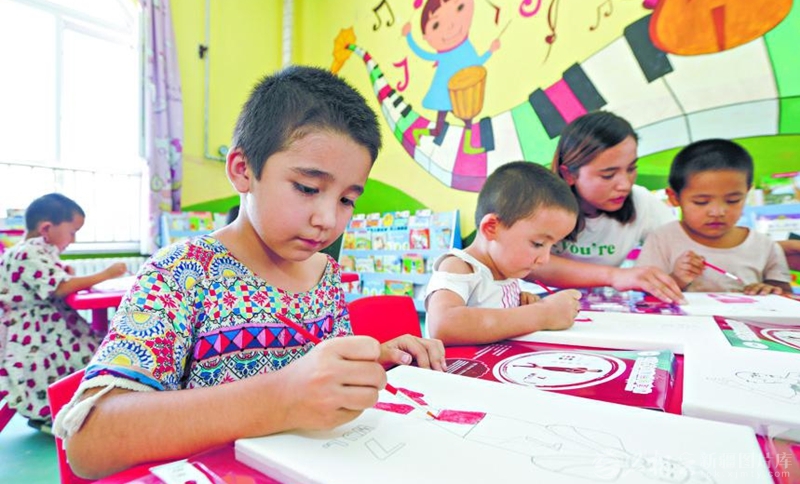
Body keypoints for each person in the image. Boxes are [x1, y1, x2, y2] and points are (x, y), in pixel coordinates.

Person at [54, 66, 446, 479]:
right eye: (307, 188)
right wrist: (282, 398)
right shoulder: (183, 272)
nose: (328, 219)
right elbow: (89, 441)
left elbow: (315, 372)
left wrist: (375, 357)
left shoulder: (326, 273)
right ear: (243, 170)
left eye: (347, 200)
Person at [524, 111, 685, 304]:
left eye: (631, 169)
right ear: (569, 174)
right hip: (534, 304)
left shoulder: (641, 202)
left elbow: (680, 243)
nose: (625, 184)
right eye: (608, 175)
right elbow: (528, 262)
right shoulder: (538, 203)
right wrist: (614, 276)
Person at [0, 193, 126, 432]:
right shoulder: (29, 251)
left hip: (42, 328)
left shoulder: (32, 251)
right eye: (72, 232)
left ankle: (69, 410)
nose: (73, 240)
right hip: (37, 336)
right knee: (89, 357)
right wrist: (106, 274)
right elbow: (59, 287)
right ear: (46, 228)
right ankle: (67, 414)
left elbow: (51, 280)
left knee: (93, 350)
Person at [425, 162, 583, 345]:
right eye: (538, 243)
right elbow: (443, 325)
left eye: (552, 246)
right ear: (491, 228)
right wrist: (542, 313)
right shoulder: (459, 267)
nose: (545, 259)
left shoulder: (506, 271)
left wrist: (521, 303)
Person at [636, 139, 792, 294]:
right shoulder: (662, 240)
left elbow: (784, 295)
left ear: (747, 192)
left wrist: (770, 291)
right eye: (701, 202)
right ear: (674, 197)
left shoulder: (765, 246)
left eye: (733, 200)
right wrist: (677, 279)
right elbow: (645, 294)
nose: (717, 212)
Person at [402, 0, 499, 145]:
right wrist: (409, 37)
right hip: (444, 94)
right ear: (426, 37)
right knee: (440, 128)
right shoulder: (444, 54)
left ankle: (467, 145)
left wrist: (490, 51)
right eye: (436, 25)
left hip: (461, 94)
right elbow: (423, 54)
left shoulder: (466, 47)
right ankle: (419, 132)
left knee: (467, 119)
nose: (450, 26)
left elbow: (476, 64)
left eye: (459, 8)